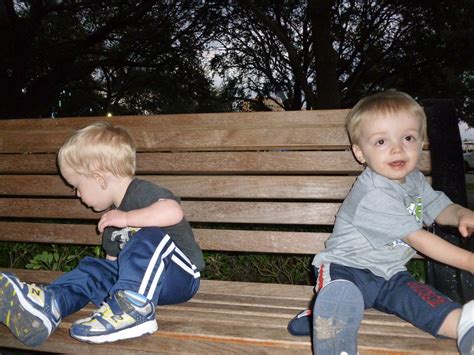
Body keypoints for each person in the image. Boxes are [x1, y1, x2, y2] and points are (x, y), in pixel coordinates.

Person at [287, 90, 474, 355]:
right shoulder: (373, 192)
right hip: (347, 269)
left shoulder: (415, 181)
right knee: (342, 295)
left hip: (390, 273)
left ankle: (466, 326)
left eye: (408, 137)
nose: (397, 148)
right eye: (381, 141)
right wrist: (469, 262)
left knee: (423, 300)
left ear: (420, 143)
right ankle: (328, 326)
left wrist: (462, 215)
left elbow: (441, 208)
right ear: (360, 153)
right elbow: (419, 239)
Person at [0, 122, 204, 346]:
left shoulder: (141, 193)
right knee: (94, 268)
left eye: (77, 186)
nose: (77, 194)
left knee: (148, 235)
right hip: (144, 287)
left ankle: (135, 310)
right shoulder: (112, 221)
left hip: (179, 276)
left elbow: (173, 212)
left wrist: (127, 219)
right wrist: (101, 278)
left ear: (99, 179)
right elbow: (112, 267)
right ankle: (51, 305)